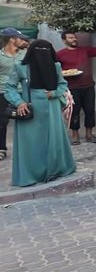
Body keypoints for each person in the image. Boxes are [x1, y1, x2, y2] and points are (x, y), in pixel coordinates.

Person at [4, 40, 75, 187]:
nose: (42, 54)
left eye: (46, 50)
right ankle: (33, 174)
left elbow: (63, 85)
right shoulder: (20, 67)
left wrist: (54, 93)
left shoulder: (56, 66)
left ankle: (55, 170)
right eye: (38, 50)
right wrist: (19, 103)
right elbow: (9, 88)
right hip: (30, 109)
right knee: (32, 143)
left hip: (52, 108)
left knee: (53, 140)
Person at [56, 30, 96, 145]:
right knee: (74, 112)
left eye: (75, 37)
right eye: (71, 38)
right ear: (64, 40)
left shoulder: (84, 50)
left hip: (88, 86)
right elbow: (55, 70)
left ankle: (89, 134)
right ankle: (75, 135)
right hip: (72, 87)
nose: (74, 39)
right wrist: (63, 73)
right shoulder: (59, 54)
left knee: (89, 111)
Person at [0, 27, 30, 162]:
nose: (22, 40)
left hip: (22, 91)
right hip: (3, 92)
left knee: (27, 119)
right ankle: (1, 149)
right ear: (12, 39)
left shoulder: (25, 54)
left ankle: (27, 148)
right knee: (1, 122)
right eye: (20, 38)